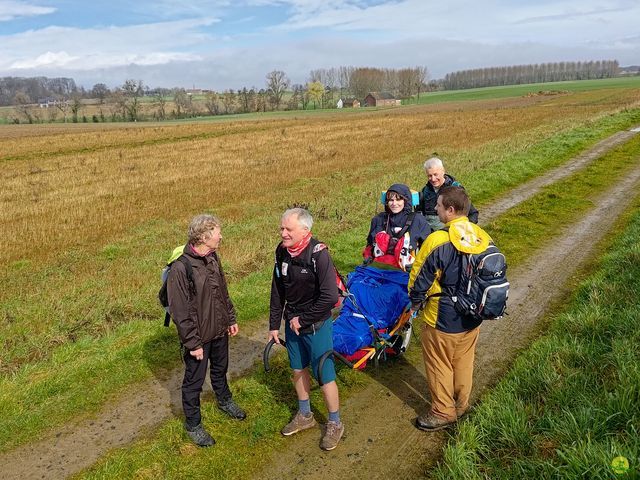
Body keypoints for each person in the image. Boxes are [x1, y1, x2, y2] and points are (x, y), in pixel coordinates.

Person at [408, 186, 491, 431]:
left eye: (439, 206)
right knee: (464, 361)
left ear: (450, 210)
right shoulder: (481, 236)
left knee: (439, 363)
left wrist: (415, 302)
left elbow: (418, 279)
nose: (435, 209)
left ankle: (443, 411)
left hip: (442, 319)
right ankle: (461, 404)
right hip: (473, 315)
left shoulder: (438, 239)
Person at [167, 213, 246, 447]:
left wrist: (230, 318)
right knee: (194, 382)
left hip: (220, 330)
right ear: (203, 236)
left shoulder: (212, 257)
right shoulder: (180, 269)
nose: (221, 235)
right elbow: (180, 312)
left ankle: (225, 401)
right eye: (217, 232)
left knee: (220, 370)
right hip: (199, 339)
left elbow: (222, 291)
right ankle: (193, 425)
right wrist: (193, 344)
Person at [268, 208, 344, 451]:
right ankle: (305, 415)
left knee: (324, 374)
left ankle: (335, 423)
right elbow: (278, 289)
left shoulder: (319, 255)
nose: (283, 233)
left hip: (317, 324)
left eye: (288, 229)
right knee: (298, 369)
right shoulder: (282, 251)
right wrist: (273, 325)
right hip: (293, 323)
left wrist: (303, 319)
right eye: (282, 228)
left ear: (305, 231)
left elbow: (330, 297)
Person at [364, 183, 431, 271]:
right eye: (391, 200)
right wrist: (368, 257)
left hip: (406, 272)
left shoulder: (418, 220)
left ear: (405, 200)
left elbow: (428, 249)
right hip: (380, 270)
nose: (394, 203)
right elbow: (369, 245)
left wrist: (418, 265)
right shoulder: (378, 219)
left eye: (398, 199)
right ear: (387, 202)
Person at [416, 157, 479, 230]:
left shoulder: (456, 189)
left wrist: (464, 231)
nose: (433, 179)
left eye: (436, 174)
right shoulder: (425, 191)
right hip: (431, 235)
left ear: (443, 171)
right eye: (430, 176)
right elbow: (420, 214)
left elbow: (473, 214)